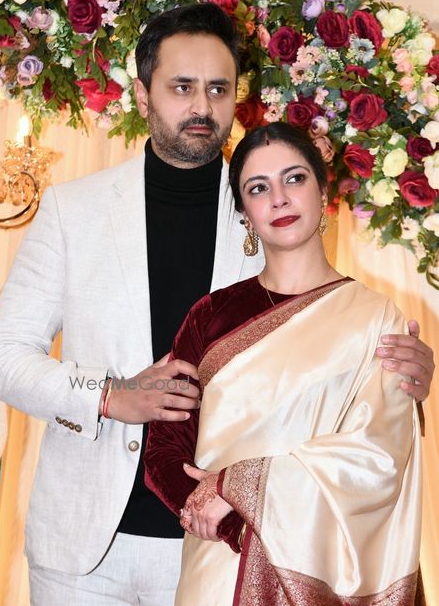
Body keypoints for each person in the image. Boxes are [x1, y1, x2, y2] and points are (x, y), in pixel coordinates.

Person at [0, 4, 433, 605]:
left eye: (218, 89)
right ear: (142, 95)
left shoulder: (266, 204)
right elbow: (1, 354)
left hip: (225, 547)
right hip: (84, 551)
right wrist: (108, 396)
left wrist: (401, 376)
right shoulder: (75, 210)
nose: (202, 106)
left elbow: (325, 361)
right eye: (182, 87)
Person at [144, 122, 424, 605]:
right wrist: (220, 517)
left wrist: (236, 487)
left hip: (323, 570)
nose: (278, 199)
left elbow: (379, 456)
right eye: (258, 188)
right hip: (218, 562)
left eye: (294, 179)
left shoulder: (377, 319)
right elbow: (165, 448)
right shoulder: (209, 316)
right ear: (244, 214)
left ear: (323, 192)